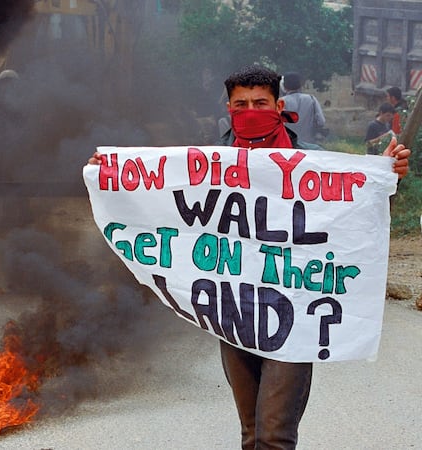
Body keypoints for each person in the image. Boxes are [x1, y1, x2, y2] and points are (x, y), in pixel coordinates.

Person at [87, 65, 410, 449]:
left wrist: (388, 175)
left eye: (260, 102)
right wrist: (113, 177)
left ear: (279, 105)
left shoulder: (312, 160)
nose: (251, 110)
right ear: (228, 108)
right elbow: (163, 204)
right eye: (241, 103)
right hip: (232, 313)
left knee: (274, 436)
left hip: (294, 316)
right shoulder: (206, 164)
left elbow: (353, 202)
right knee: (252, 433)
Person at [281, 72, 327, 144]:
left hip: (288, 144)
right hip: (308, 144)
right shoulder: (311, 99)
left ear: (284, 86)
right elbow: (321, 121)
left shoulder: (281, 102)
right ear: (300, 85)